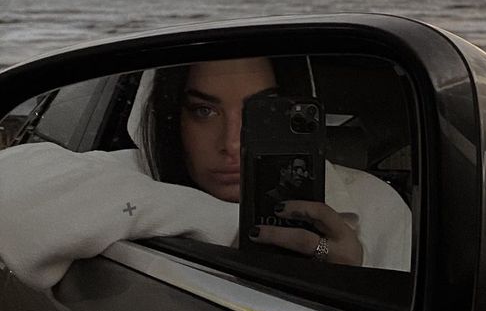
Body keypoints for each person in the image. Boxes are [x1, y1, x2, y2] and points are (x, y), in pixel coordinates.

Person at [0, 57, 412, 290]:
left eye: (260, 113)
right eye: (204, 111)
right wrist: (234, 227)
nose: (232, 143)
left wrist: (351, 276)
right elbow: (10, 189)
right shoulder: (135, 173)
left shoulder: (373, 205)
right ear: (169, 120)